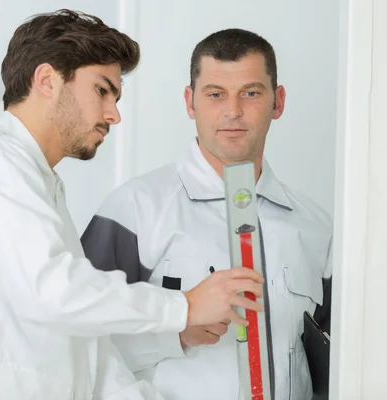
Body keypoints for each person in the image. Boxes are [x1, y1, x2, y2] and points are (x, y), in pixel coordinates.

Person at [0, 10, 265, 400]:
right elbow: (53, 290)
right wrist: (183, 306)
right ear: (46, 80)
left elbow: (89, 356)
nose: (114, 114)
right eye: (102, 90)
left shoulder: (40, 187)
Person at [81, 28, 333, 400]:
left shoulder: (315, 227)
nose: (233, 111)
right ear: (190, 101)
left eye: (251, 93)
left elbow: (342, 358)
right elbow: (78, 340)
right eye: (215, 94)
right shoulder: (135, 210)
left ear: (277, 102)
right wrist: (174, 332)